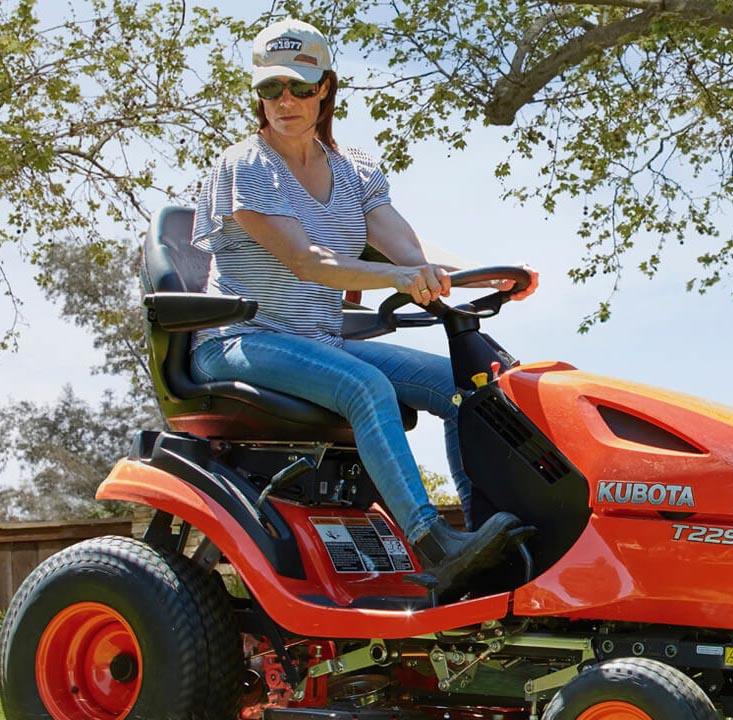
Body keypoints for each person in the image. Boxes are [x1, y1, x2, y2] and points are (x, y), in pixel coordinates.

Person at [190, 18, 539, 602]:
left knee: (468, 386)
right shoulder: (244, 167)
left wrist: (481, 273)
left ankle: (484, 540)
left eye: (300, 87)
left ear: (325, 88)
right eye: (271, 88)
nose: (285, 101)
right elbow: (309, 262)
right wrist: (400, 277)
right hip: (242, 340)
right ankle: (434, 544)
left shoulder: (353, 169)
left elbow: (408, 250)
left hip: (320, 339)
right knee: (366, 386)